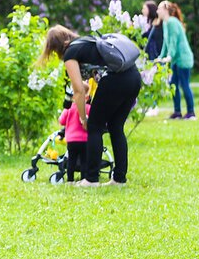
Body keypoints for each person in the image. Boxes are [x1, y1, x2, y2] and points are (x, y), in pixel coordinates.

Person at [39, 25, 141, 187]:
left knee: (94, 127)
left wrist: (83, 118)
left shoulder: (71, 53)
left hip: (115, 81)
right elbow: (86, 84)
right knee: (116, 127)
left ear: (54, 48)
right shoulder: (86, 42)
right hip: (134, 78)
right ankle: (119, 179)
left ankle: (91, 179)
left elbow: (78, 91)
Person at [155, 0, 195, 120]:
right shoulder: (165, 23)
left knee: (184, 85)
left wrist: (169, 56)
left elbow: (173, 41)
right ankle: (177, 112)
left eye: (159, 8)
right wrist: (161, 57)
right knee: (173, 85)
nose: (157, 11)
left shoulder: (172, 22)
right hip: (175, 60)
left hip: (183, 59)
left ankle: (191, 113)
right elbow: (166, 43)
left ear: (165, 9)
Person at [58, 85, 92, 183]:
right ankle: (83, 179)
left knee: (71, 160)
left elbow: (61, 121)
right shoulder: (88, 108)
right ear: (87, 97)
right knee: (84, 160)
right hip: (85, 140)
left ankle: (70, 180)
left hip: (71, 140)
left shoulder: (69, 108)